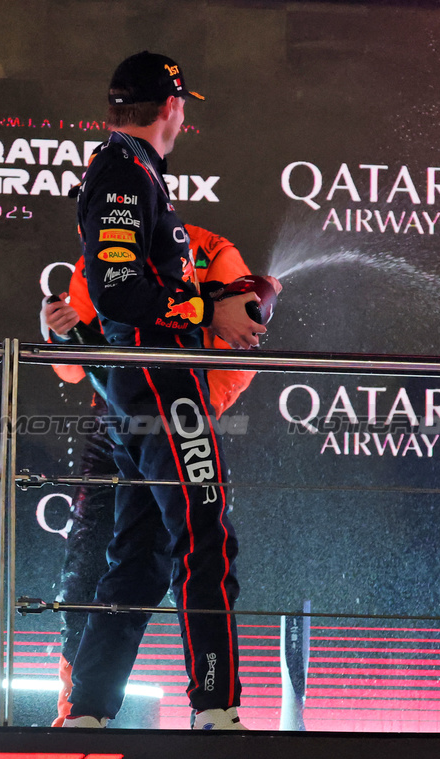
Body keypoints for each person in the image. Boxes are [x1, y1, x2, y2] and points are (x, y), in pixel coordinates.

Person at [63, 51, 274, 731]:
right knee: (205, 536)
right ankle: (216, 709)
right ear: (172, 106)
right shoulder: (124, 172)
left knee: (145, 552)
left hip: (150, 381)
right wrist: (209, 313)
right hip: (159, 383)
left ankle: (90, 711)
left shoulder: (135, 171)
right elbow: (118, 292)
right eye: (183, 106)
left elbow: (153, 284)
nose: (183, 116)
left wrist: (230, 295)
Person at [41, 224, 257, 726]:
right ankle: (213, 707)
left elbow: (242, 339)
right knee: (195, 547)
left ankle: (86, 712)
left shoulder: (214, 250)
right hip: (152, 416)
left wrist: (200, 409)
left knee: (138, 562)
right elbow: (77, 360)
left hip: (167, 412)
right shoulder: (101, 251)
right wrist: (59, 328)